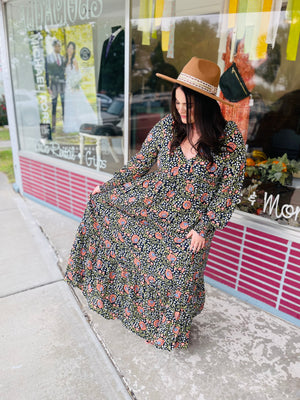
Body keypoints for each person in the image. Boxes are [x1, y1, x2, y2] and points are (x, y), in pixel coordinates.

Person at [65, 57, 246, 351]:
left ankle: (169, 332)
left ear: (206, 103)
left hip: (191, 223)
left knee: (179, 279)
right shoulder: (167, 127)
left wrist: (205, 227)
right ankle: (135, 316)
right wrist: (109, 187)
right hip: (151, 205)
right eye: (177, 103)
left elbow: (229, 190)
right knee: (135, 260)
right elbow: (140, 164)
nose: (181, 111)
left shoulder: (229, 138)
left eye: (189, 105)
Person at [63, 41, 97, 133]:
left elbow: (78, 75)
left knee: (77, 105)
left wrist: (74, 85)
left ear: (74, 50)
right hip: (68, 87)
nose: (70, 50)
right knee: (69, 106)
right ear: (67, 49)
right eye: (69, 48)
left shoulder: (74, 61)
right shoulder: (65, 61)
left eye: (72, 48)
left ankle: (81, 123)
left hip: (75, 87)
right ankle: (71, 124)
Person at [46, 39, 65, 136]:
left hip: (62, 85)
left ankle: (65, 125)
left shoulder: (62, 58)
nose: (60, 48)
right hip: (53, 85)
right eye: (58, 46)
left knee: (64, 104)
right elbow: (46, 72)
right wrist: (48, 86)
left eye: (60, 46)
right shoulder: (48, 58)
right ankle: (53, 127)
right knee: (54, 105)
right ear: (54, 47)